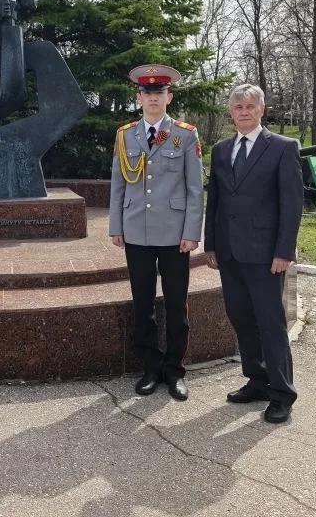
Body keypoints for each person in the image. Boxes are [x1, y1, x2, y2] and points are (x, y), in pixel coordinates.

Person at [203, 83, 303, 423]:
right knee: (242, 319)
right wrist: (211, 244)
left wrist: (284, 251)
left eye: (249, 106)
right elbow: (214, 201)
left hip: (265, 255)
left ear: (261, 110)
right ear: (231, 113)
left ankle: (282, 393)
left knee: (271, 324)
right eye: (237, 107)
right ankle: (257, 380)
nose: (243, 112)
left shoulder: (283, 148)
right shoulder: (220, 150)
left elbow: (292, 205)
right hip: (229, 252)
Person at [109, 65, 204, 399]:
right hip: (136, 233)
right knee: (143, 303)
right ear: (139, 97)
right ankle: (151, 368)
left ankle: (175, 370)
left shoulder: (184, 134)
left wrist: (192, 232)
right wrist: (116, 226)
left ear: (169, 96)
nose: (153, 98)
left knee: (177, 305)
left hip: (175, 235)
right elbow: (118, 185)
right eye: (147, 93)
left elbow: (195, 189)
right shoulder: (125, 135)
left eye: (159, 93)